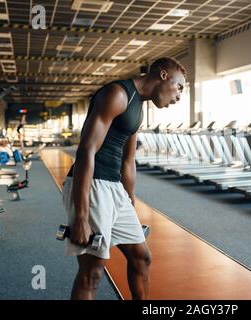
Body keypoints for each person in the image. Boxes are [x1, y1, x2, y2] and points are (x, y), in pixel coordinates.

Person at [62, 57, 186, 300]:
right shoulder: (118, 94)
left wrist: (129, 201)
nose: (179, 96)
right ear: (163, 75)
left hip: (114, 188)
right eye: (179, 86)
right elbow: (86, 150)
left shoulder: (138, 107)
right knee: (92, 272)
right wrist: (81, 216)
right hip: (93, 184)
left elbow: (128, 162)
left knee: (142, 258)